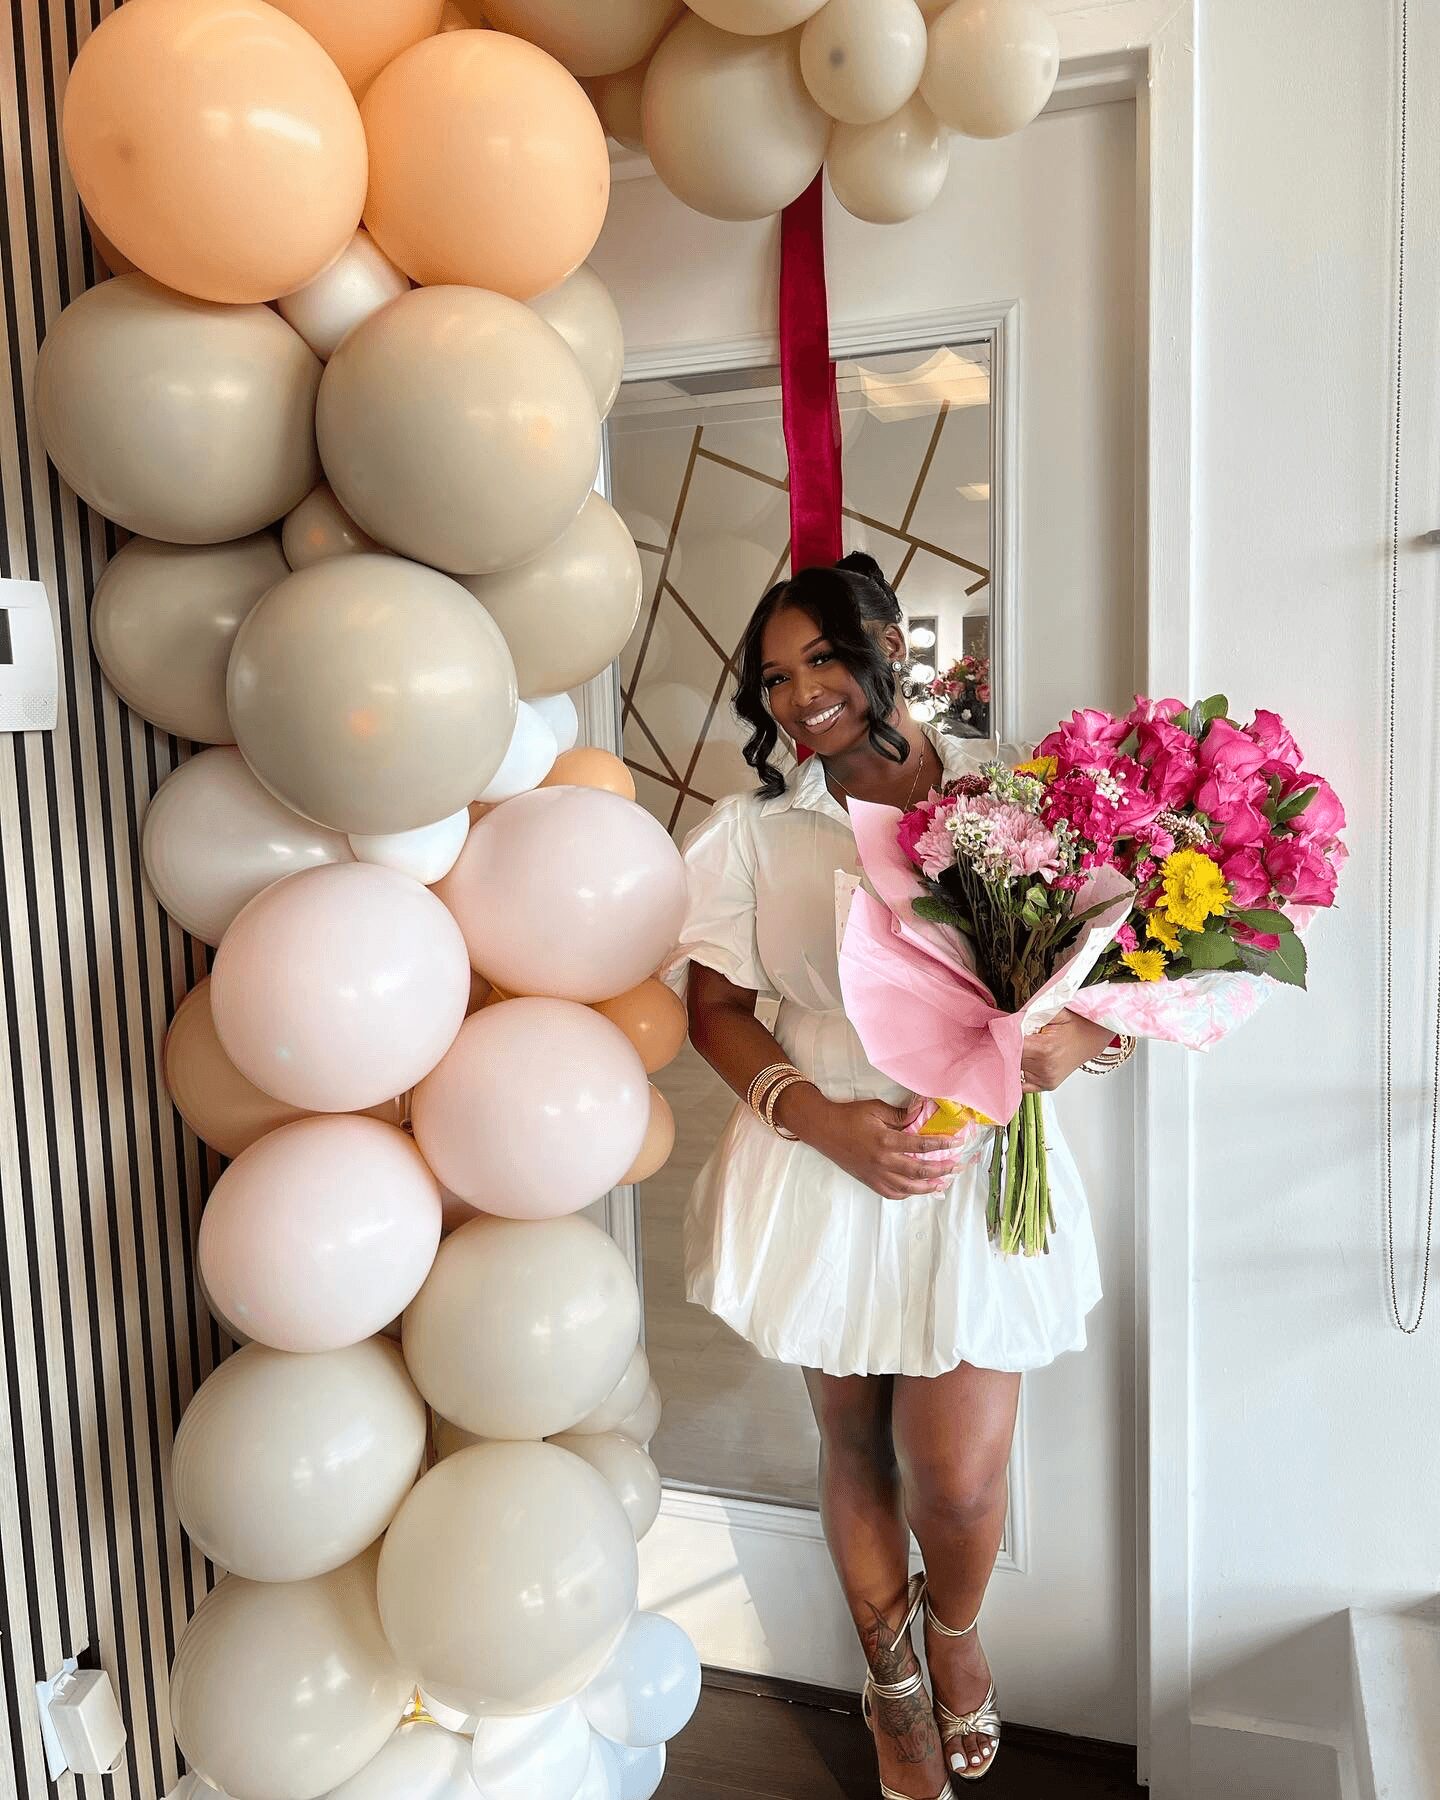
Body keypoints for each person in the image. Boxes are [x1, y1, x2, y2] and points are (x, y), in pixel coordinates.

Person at [668, 553, 1123, 1797]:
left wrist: (1083, 1037)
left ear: (886, 645)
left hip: (975, 1160)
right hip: (827, 1154)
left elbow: (1112, 968)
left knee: (958, 1481)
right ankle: (894, 1690)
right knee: (854, 1438)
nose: (799, 693)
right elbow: (714, 1010)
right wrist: (818, 1120)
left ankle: (955, 1635)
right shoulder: (757, 832)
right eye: (774, 676)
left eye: (821, 657)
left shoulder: (1019, 793)